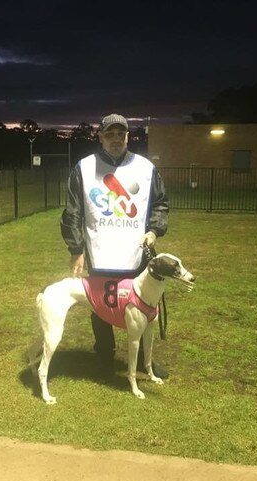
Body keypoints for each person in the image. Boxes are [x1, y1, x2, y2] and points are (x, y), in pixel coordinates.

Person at [60, 113, 170, 379]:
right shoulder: (84, 168)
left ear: (128, 136)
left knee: (144, 309)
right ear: (100, 137)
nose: (116, 139)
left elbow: (160, 204)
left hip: (136, 254)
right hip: (100, 253)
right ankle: (104, 358)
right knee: (101, 309)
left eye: (121, 134)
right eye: (110, 134)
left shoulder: (145, 168)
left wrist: (154, 230)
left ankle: (147, 361)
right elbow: (72, 212)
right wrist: (76, 251)